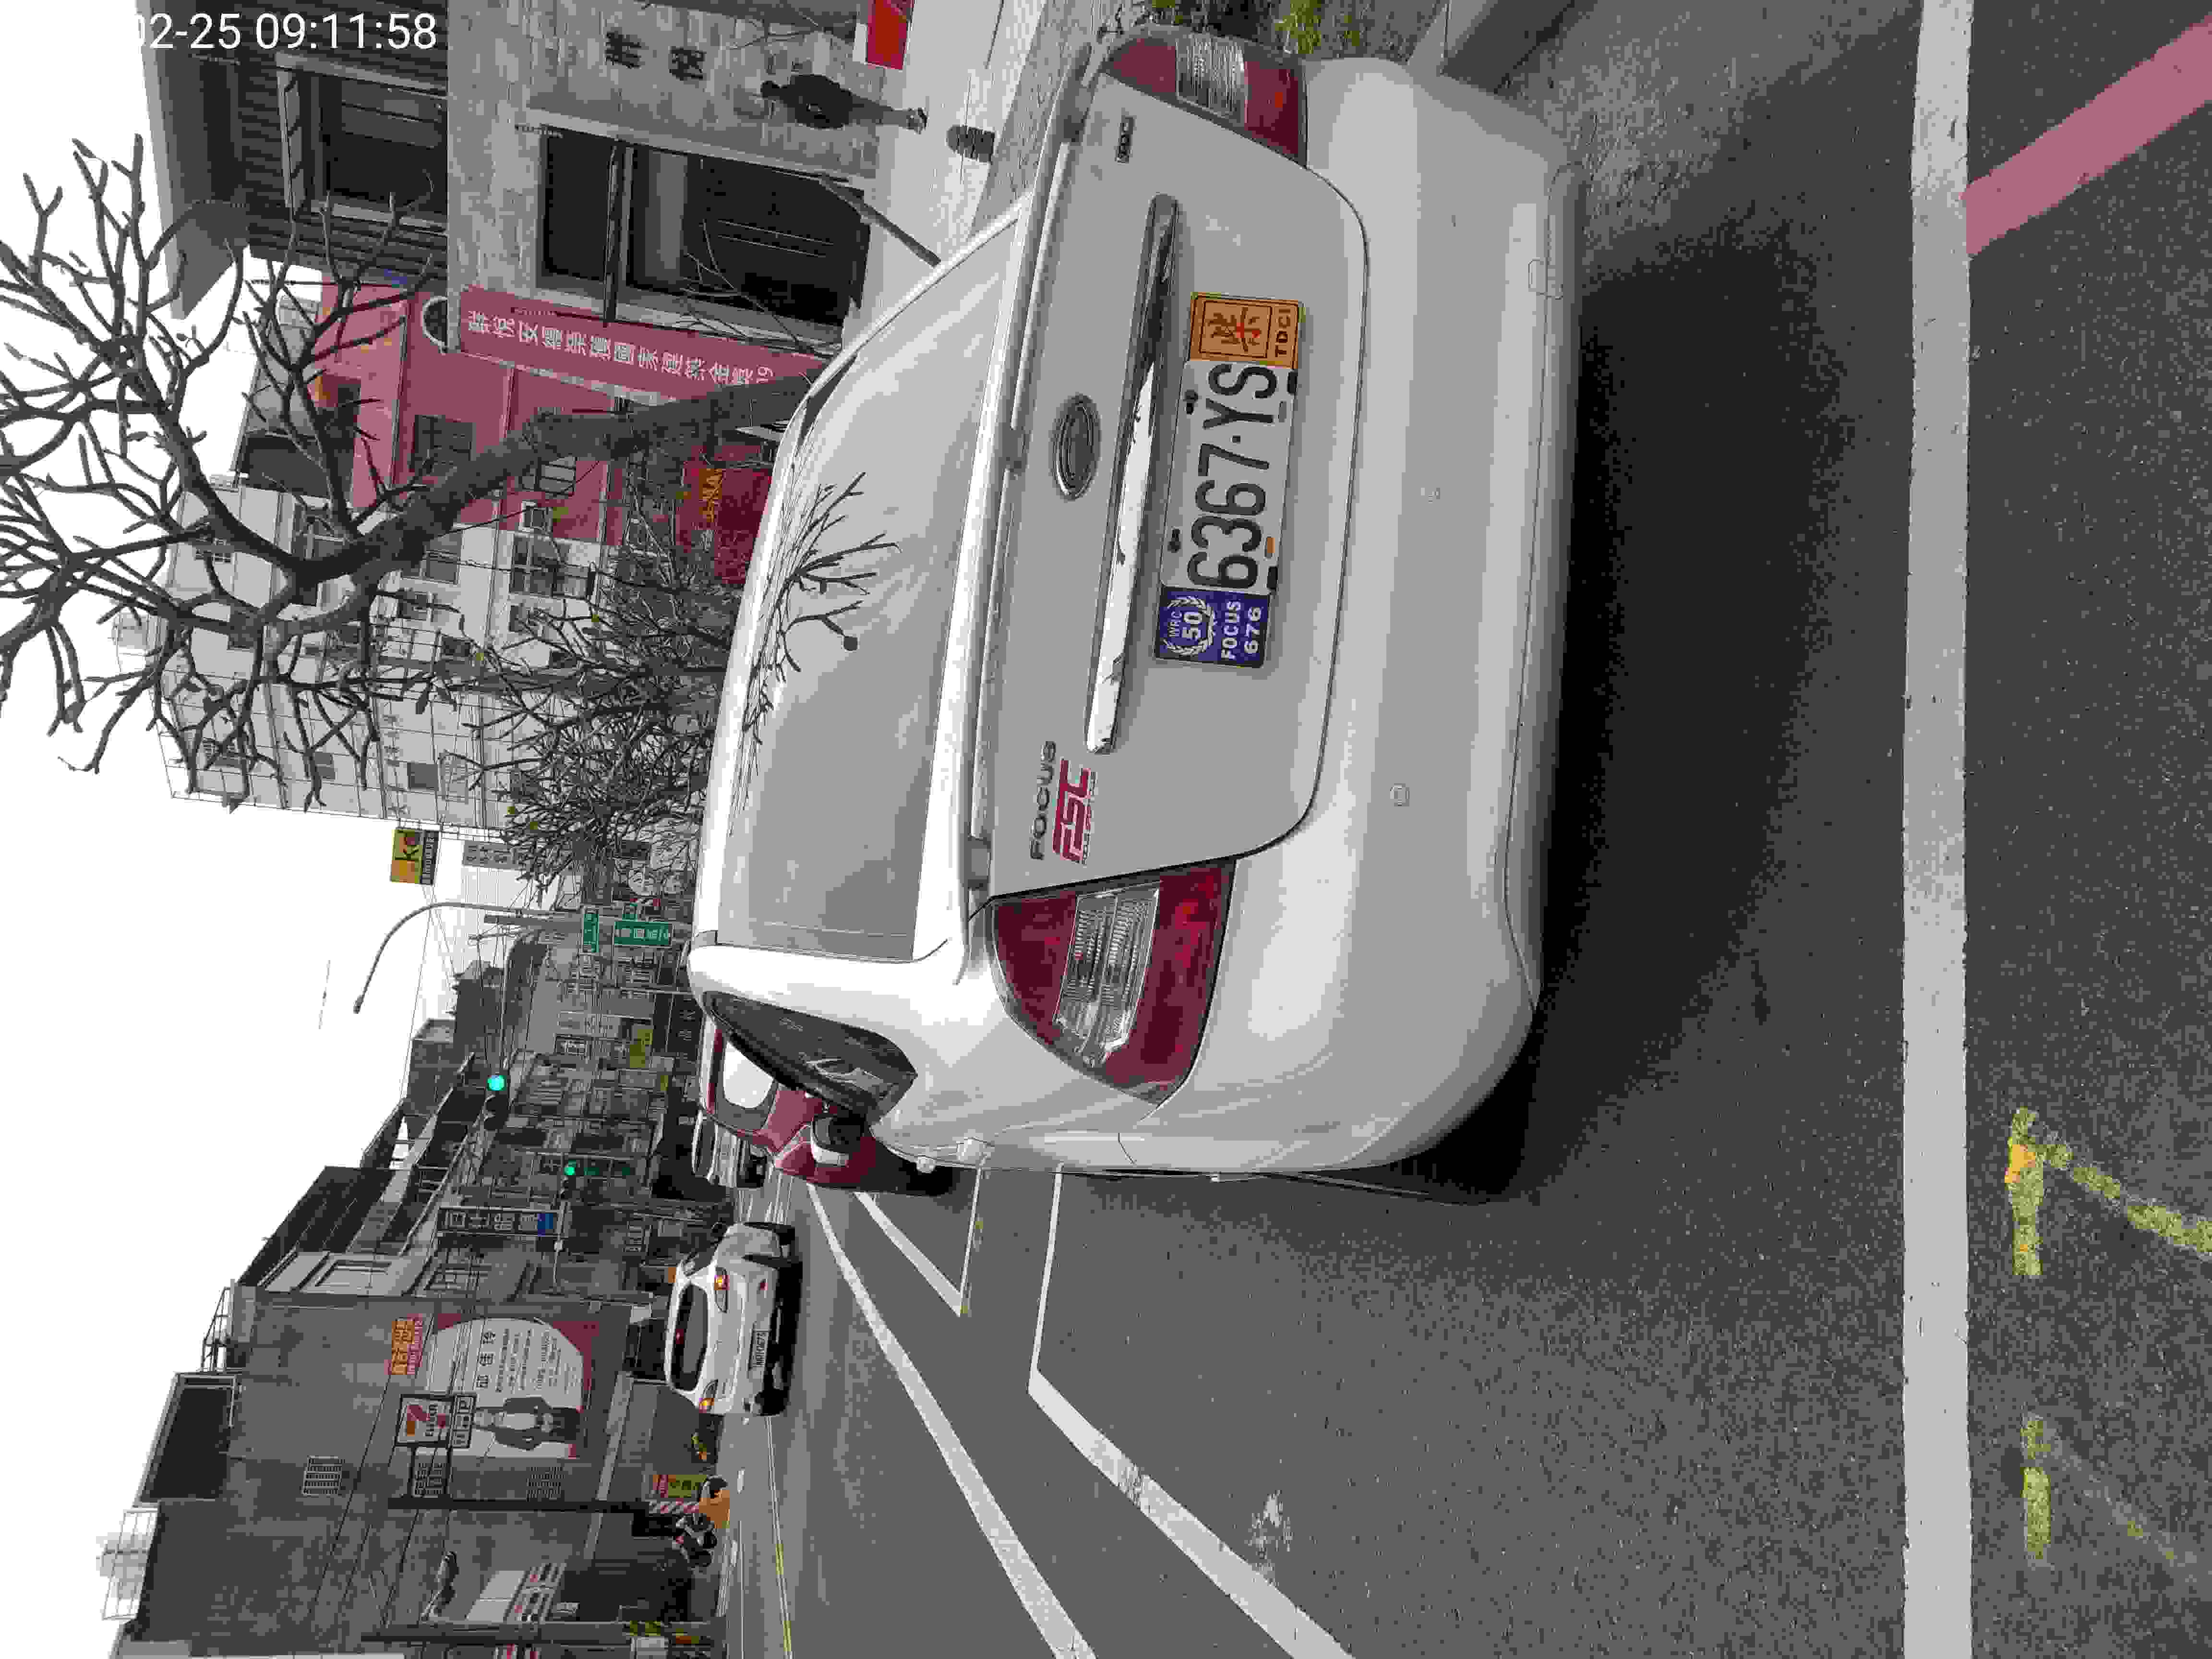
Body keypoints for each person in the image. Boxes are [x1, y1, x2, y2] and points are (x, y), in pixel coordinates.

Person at [759, 75, 926, 133]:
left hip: (841, 114)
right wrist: (835, 88)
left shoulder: (793, 109)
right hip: (843, 97)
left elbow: (816, 122)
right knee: (876, 110)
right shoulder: (796, 81)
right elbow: (820, 80)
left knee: (878, 118)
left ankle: (912, 121)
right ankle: (909, 117)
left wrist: (835, 124)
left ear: (773, 98)